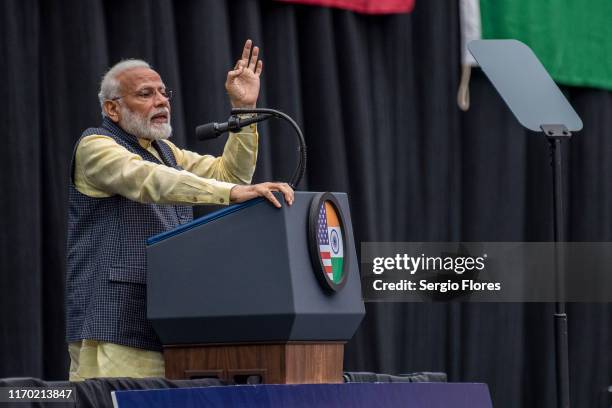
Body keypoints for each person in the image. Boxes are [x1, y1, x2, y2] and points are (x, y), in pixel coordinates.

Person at [66, 39, 294, 381]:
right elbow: (152, 180)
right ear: (112, 109)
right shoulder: (95, 146)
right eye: (145, 94)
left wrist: (244, 110)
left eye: (163, 92)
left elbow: (229, 175)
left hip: (172, 320)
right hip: (117, 324)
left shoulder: (165, 151)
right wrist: (232, 192)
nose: (161, 101)